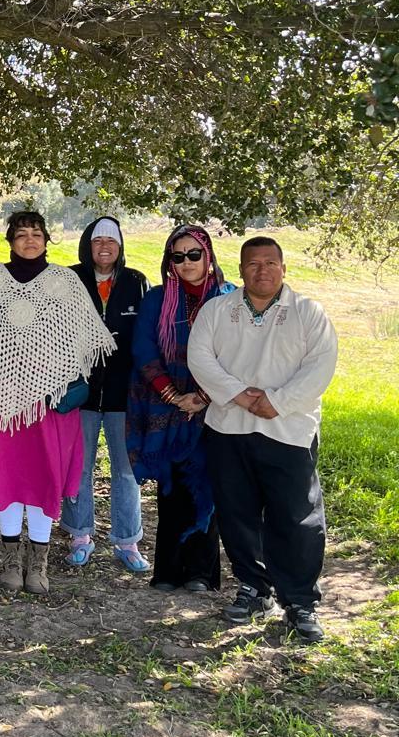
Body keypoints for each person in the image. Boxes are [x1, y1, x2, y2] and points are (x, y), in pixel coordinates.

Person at [0, 211, 114, 595]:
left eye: (37, 233)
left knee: (43, 479)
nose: (30, 240)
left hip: (49, 403)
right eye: (21, 234)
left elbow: (86, 341)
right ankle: (11, 560)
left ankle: (38, 563)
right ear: (10, 240)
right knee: (9, 477)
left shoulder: (64, 282)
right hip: (0, 402)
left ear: (46, 239)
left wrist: (54, 377)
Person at [188, 236, 338, 643]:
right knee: (237, 513)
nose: (262, 270)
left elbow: (321, 366)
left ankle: (300, 601)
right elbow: (200, 358)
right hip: (228, 428)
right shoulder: (218, 311)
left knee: (296, 516)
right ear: (241, 270)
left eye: (271, 263)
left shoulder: (307, 313)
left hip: (288, 430)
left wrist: (278, 402)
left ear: (284, 268)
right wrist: (239, 394)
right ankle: (254, 589)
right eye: (253, 264)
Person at [126, 226, 235, 594]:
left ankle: (201, 573)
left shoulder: (228, 298)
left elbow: (236, 354)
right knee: (171, 489)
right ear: (169, 261)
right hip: (167, 407)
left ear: (208, 256)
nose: (186, 262)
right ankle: (168, 572)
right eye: (178, 256)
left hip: (216, 407)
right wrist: (174, 396)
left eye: (194, 254)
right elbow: (143, 349)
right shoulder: (157, 299)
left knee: (207, 484)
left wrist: (202, 396)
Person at [61, 217, 151, 573]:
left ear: (120, 246)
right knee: (78, 468)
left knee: (125, 470)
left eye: (111, 241)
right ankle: (80, 535)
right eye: (97, 240)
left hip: (124, 393)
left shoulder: (135, 281)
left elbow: (145, 335)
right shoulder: (70, 279)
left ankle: (127, 541)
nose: (104, 247)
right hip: (80, 392)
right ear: (87, 245)